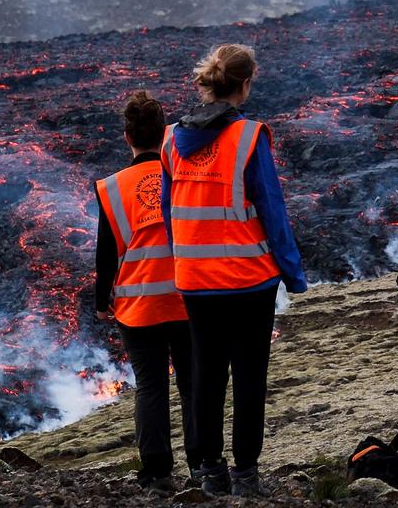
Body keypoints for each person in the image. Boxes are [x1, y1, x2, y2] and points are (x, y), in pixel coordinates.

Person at [160, 43, 308, 498]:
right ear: (246, 83)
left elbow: (170, 211)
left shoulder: (170, 139)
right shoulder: (249, 136)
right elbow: (270, 207)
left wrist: (185, 259)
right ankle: (245, 475)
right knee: (248, 377)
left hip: (195, 282)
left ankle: (209, 472)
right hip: (248, 280)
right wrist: (293, 273)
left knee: (205, 376)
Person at [94, 90, 199, 490]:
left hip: (138, 306)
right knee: (192, 384)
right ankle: (201, 462)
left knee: (151, 385)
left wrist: (101, 300)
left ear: (127, 137)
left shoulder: (112, 187)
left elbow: (106, 254)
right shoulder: (184, 175)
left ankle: (156, 471)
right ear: (164, 133)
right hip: (188, 298)